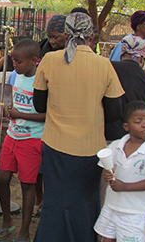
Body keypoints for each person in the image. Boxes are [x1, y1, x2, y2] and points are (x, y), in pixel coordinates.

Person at [32, 12, 124, 242]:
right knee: (85, 202)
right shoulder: (104, 65)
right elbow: (115, 112)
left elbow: (39, 104)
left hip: (55, 146)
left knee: (55, 201)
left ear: (67, 32)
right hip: (90, 149)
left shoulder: (50, 60)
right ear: (90, 34)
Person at [0, 39, 45, 242]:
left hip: (32, 138)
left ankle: (24, 231)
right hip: (12, 135)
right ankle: (7, 220)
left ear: (33, 60)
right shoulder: (16, 75)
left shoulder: (41, 81)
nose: (14, 64)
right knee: (2, 177)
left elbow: (47, 115)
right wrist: (11, 111)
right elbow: (16, 98)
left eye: (18, 61)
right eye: (13, 60)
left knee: (27, 185)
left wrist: (20, 114)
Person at [94, 101, 145, 242]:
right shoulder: (115, 147)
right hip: (112, 206)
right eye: (138, 122)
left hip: (134, 212)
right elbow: (107, 171)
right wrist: (107, 174)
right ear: (126, 126)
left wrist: (125, 187)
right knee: (105, 238)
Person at [105, 35, 145, 141]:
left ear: (121, 56)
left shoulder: (108, 68)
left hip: (106, 135)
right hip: (131, 139)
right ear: (142, 59)